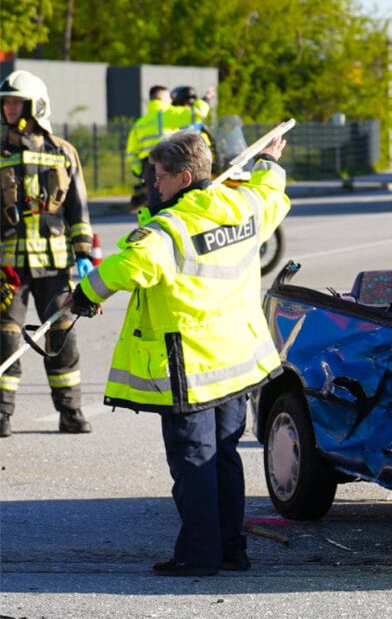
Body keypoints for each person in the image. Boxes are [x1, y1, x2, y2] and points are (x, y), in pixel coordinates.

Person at [69, 129, 290, 576]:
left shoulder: (168, 229)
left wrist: (85, 293)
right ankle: (230, 549)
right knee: (223, 458)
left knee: (193, 463)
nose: (155, 185)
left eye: (161, 177)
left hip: (191, 366)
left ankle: (197, 555)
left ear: (185, 176)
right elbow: (271, 191)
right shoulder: (244, 205)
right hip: (235, 361)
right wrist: (268, 160)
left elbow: (130, 264)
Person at [0, 70, 94, 438]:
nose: (8, 108)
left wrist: (84, 254)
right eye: (5, 102)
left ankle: (70, 411)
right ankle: (2, 414)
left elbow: (79, 210)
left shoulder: (63, 153)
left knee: (62, 337)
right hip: (8, 268)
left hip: (55, 266)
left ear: (35, 106)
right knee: (5, 338)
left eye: (15, 102)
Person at [125, 85, 174, 212]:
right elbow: (196, 114)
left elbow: (131, 152)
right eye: (169, 97)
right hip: (169, 161)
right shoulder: (168, 115)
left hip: (148, 166)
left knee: (154, 199)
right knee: (170, 200)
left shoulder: (140, 123)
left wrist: (140, 172)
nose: (171, 101)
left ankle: (152, 227)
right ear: (162, 98)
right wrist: (205, 100)